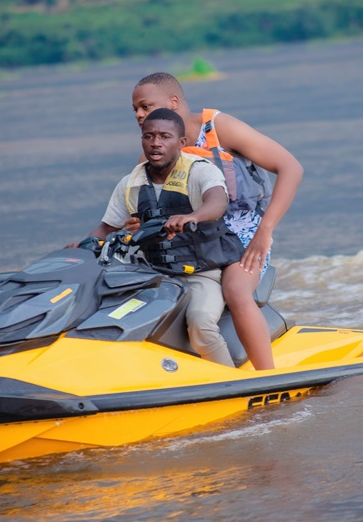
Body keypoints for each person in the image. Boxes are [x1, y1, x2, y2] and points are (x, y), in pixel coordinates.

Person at [129, 72, 303, 370]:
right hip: (194, 243)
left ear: (173, 102)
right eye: (135, 110)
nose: (139, 115)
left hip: (244, 234)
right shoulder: (157, 148)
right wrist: (138, 223)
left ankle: (266, 377)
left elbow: (290, 167)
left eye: (145, 106)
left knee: (235, 289)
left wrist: (265, 231)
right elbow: (144, 207)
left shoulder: (218, 128)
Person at [76, 108, 244, 367]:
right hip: (151, 273)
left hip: (201, 271)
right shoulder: (129, 183)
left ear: (181, 143)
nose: (156, 143)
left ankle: (232, 383)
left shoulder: (200, 171)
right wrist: (77, 251)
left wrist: (193, 217)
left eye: (165, 136)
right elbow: (104, 229)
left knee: (200, 324)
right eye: (149, 136)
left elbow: (217, 202)